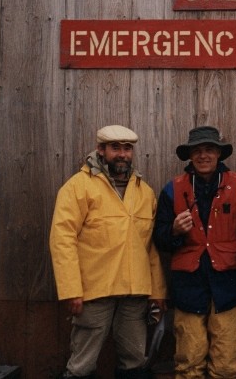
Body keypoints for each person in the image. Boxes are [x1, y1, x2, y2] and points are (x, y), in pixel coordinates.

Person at [49, 125, 167, 379]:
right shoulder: (78, 187)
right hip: (93, 291)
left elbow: (150, 247)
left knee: (135, 361)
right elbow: (62, 240)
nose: (122, 154)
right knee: (82, 364)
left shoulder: (144, 192)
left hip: (135, 293)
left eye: (127, 148)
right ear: (101, 150)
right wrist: (71, 290)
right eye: (115, 148)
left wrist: (157, 291)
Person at [153, 125, 236, 379]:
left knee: (226, 363)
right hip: (188, 286)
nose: (203, 155)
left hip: (229, 285)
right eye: (197, 150)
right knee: (189, 360)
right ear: (189, 156)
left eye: (209, 149)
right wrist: (175, 231)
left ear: (219, 154)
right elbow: (159, 239)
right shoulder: (172, 189)